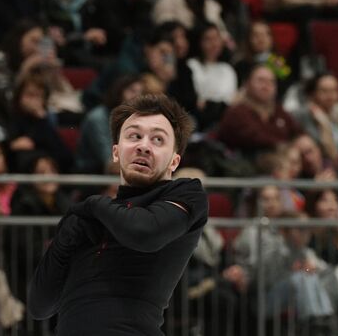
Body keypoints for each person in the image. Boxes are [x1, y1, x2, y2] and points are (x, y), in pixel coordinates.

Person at [29, 94, 208, 335]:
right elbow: (40, 306)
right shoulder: (86, 221)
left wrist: (91, 204)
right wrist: (64, 237)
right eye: (134, 136)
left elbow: (145, 233)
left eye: (158, 139)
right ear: (116, 152)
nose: (144, 146)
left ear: (174, 161)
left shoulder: (186, 193)